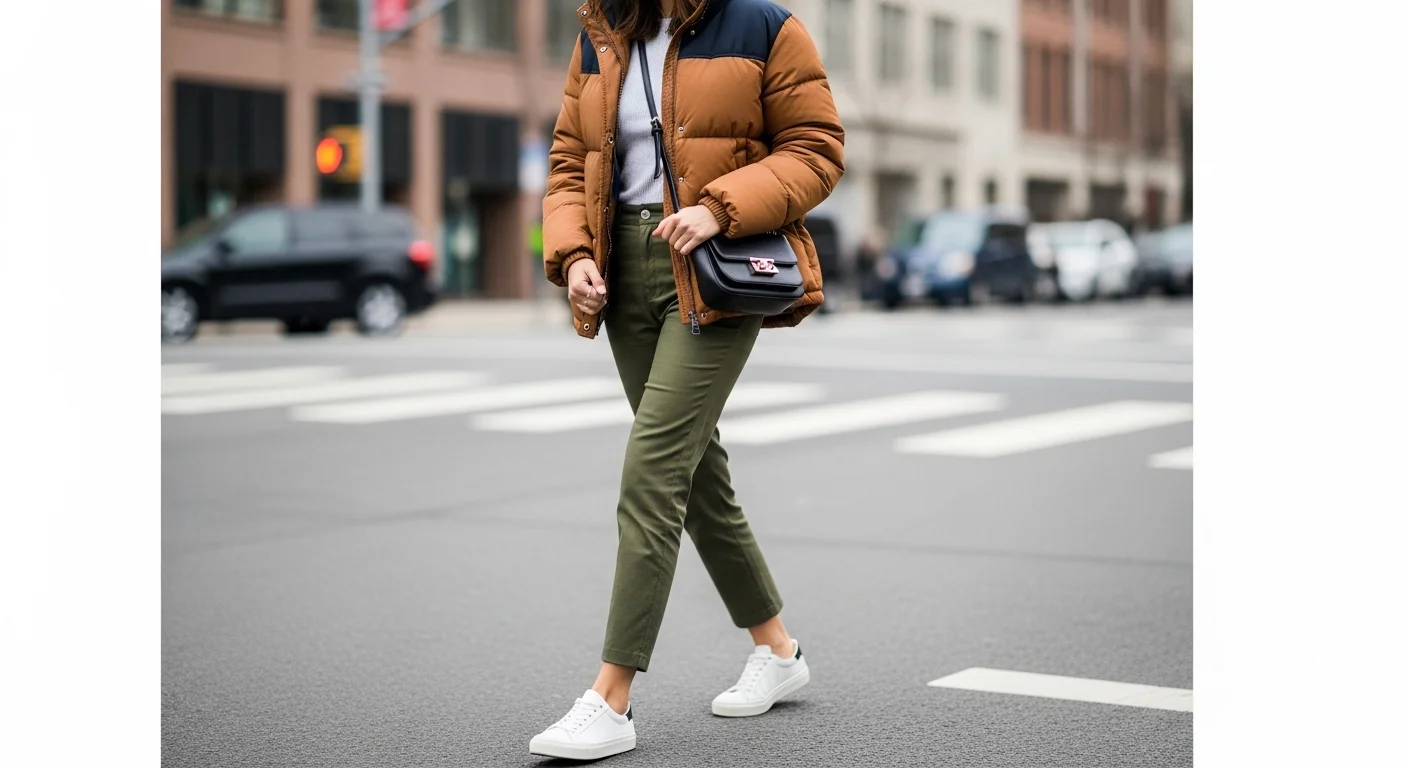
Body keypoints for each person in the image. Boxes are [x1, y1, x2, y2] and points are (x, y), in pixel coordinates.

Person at [532, 0, 844, 760]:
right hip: (624, 274)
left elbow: (817, 149)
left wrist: (718, 208)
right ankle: (777, 652)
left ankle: (611, 697)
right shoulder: (603, 28)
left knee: (653, 469)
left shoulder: (764, 27)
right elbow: (572, 159)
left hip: (715, 267)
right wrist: (574, 256)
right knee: (696, 471)